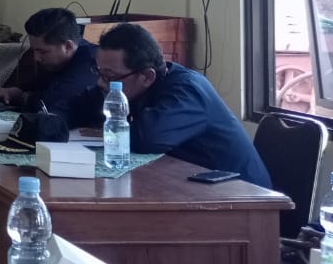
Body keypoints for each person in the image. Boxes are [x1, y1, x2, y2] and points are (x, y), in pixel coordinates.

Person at [62, 23, 271, 188]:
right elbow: (79, 105)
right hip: (188, 183)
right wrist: (53, 121)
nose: (101, 82)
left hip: (239, 195)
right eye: (99, 72)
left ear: (147, 76)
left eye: (109, 76)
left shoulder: (187, 90)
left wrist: (107, 128)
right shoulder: (131, 83)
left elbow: (147, 138)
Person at [0, 8, 98, 113]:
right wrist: (12, 92)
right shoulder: (57, 62)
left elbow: (50, 104)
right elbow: (37, 86)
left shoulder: (92, 63)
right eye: (34, 50)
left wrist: (23, 97)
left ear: (68, 46)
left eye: (43, 52)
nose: (36, 58)